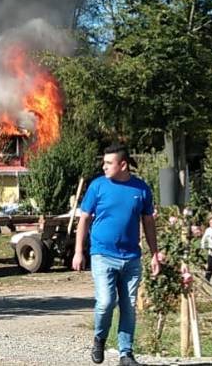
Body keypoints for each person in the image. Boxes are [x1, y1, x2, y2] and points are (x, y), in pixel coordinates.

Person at [72, 144, 160, 366]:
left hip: (131, 257)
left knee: (128, 305)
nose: (104, 166)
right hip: (102, 254)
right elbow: (84, 219)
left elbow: (148, 222)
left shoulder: (141, 189)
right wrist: (78, 252)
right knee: (106, 302)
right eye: (104, 162)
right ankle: (100, 338)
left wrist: (155, 254)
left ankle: (126, 354)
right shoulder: (97, 186)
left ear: (123, 164)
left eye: (108, 163)